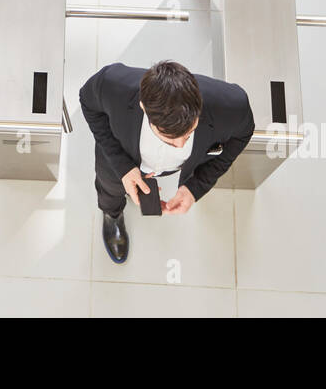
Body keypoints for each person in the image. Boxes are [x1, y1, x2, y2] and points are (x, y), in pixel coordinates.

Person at [78, 60, 255, 264]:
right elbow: (87, 102)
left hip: (170, 169)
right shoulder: (112, 84)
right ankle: (112, 215)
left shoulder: (232, 105)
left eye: (189, 133)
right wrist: (123, 167)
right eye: (169, 138)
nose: (180, 145)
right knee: (110, 190)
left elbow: (243, 134)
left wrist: (195, 187)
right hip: (119, 158)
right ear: (143, 107)